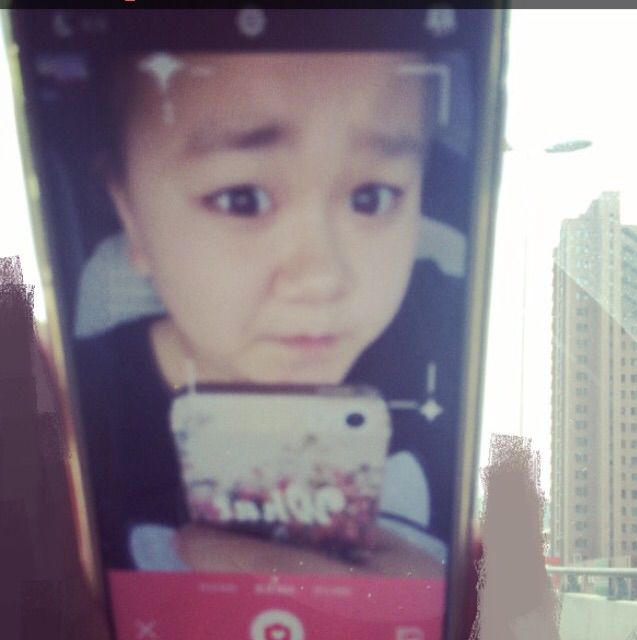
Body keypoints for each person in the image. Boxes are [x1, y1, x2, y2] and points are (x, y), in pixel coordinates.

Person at [74, 50, 452, 575]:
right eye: (242, 199)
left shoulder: (461, 356)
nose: (322, 279)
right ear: (130, 214)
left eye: (372, 197)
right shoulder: (67, 422)